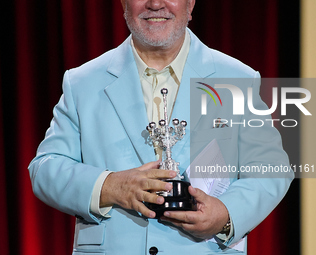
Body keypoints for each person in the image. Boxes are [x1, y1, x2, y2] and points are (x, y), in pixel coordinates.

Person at [28, 0, 293, 254]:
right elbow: (46, 168)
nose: (156, 4)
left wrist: (226, 214)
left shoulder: (238, 78)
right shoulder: (82, 82)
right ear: (123, 4)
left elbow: (272, 169)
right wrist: (111, 186)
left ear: (190, 4)